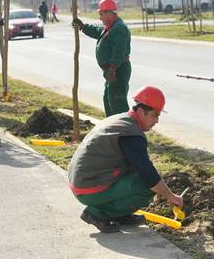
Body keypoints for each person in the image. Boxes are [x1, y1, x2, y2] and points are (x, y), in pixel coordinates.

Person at [68, 86, 184, 233]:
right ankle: (96, 214)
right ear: (141, 111)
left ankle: (120, 215)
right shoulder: (131, 134)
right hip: (88, 188)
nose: (157, 121)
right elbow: (148, 174)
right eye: (155, 115)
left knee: (142, 178)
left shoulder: (121, 120)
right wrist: (171, 196)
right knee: (146, 186)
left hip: (84, 181)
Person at [72, 0, 131, 117]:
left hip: (117, 71)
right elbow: (97, 31)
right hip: (111, 72)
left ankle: (123, 130)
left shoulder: (119, 28)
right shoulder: (110, 27)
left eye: (101, 14)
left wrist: (112, 68)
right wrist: (83, 27)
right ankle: (112, 127)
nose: (100, 18)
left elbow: (119, 51)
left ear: (109, 13)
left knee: (117, 102)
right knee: (108, 100)